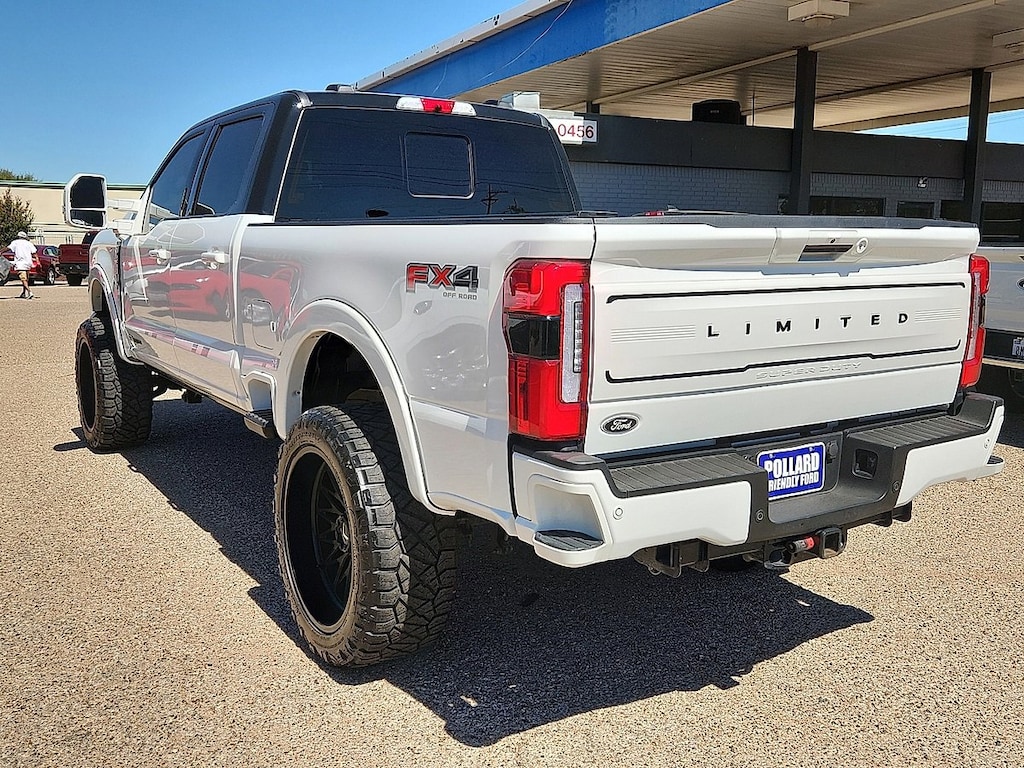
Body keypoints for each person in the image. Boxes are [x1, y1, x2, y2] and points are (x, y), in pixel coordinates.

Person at [7, 231, 36, 299]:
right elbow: (34, 253)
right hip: (28, 263)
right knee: (26, 279)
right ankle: (23, 293)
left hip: (20, 263)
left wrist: (1, 251)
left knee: (23, 279)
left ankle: (29, 292)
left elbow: (8, 248)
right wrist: (37, 261)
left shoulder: (15, 242)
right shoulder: (29, 243)